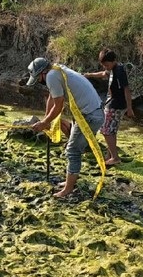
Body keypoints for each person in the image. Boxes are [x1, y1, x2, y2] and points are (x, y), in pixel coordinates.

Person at [26, 57, 104, 197]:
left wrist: (44, 123)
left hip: (89, 115)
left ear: (43, 73)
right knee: (73, 148)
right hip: (92, 111)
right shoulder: (57, 69)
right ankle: (70, 181)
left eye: (38, 78)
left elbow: (59, 105)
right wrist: (46, 118)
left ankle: (68, 189)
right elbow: (52, 96)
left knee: (72, 150)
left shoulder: (51, 76)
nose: (39, 81)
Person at [84, 49, 133, 165]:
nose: (105, 67)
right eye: (103, 65)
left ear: (113, 61)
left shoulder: (119, 71)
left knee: (106, 131)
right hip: (111, 103)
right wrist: (88, 75)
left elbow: (126, 89)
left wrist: (130, 108)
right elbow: (102, 74)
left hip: (116, 104)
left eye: (107, 64)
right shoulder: (111, 69)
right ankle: (110, 154)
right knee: (112, 130)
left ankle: (115, 158)